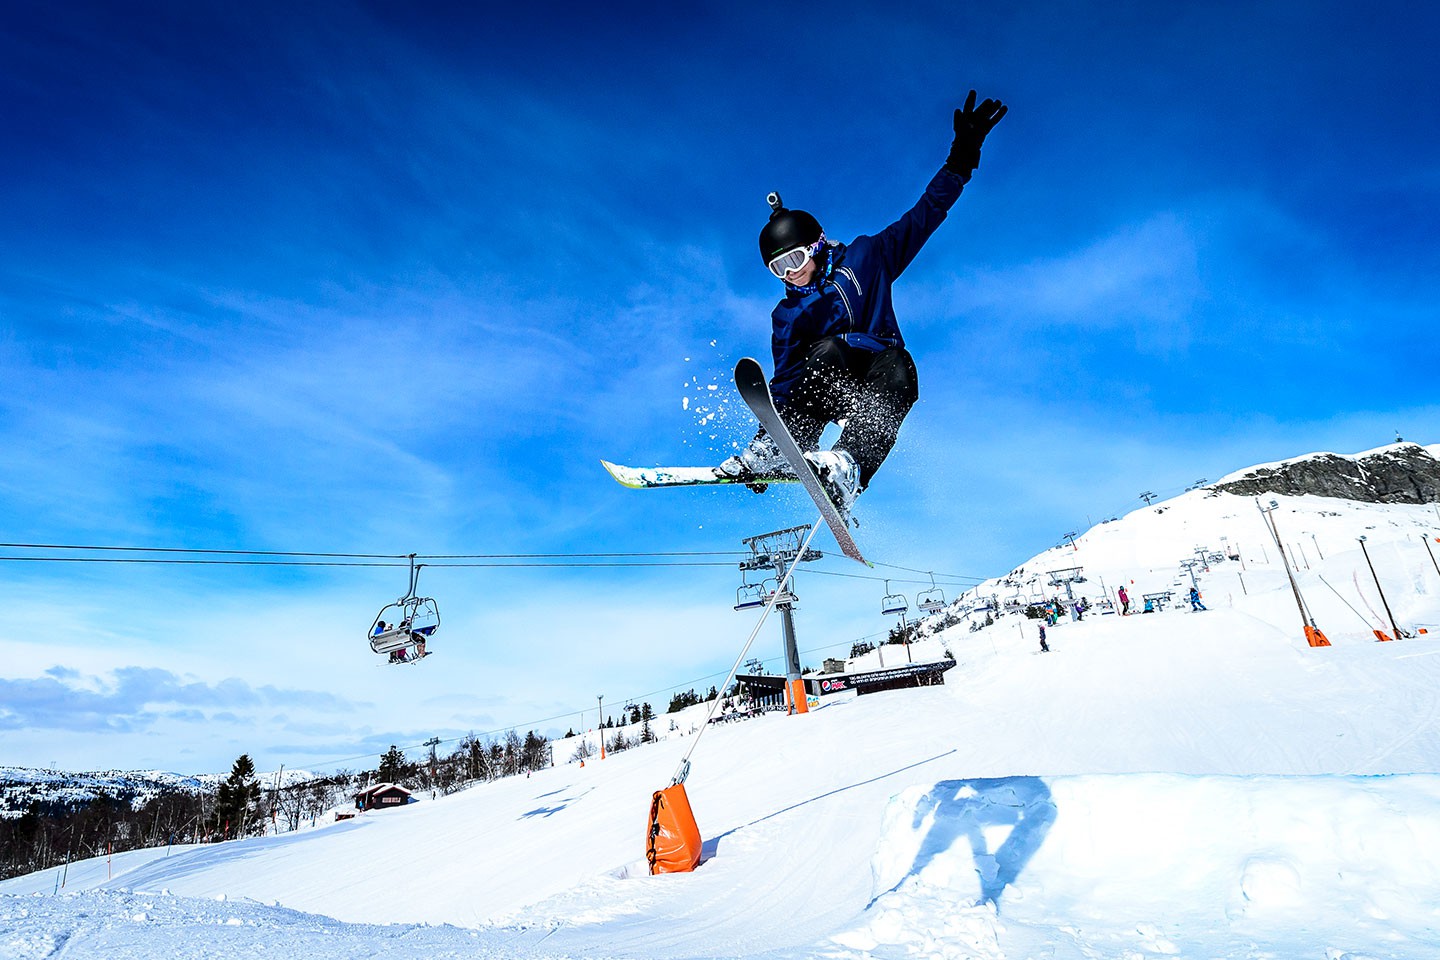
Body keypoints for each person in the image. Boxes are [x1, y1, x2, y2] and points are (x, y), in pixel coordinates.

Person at [719, 90, 1008, 513]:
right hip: (828, 386)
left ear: (816, 246)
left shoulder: (868, 257)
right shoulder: (786, 316)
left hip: (879, 378)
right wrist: (769, 440)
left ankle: (848, 465)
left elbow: (924, 215)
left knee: (902, 368)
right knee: (825, 351)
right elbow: (782, 385)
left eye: (796, 258)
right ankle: (785, 445)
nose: (791, 273)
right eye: (779, 269)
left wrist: (961, 159)